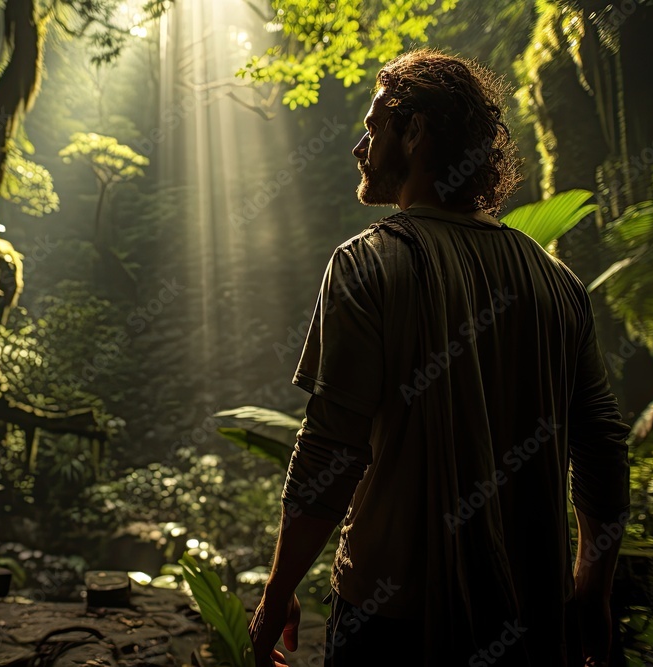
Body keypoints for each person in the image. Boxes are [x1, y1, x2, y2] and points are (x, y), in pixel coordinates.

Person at [246, 49, 631, 667]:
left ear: (416, 131)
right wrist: (593, 592)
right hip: (532, 622)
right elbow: (604, 447)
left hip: (394, 622)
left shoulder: (368, 263)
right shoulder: (558, 283)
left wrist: (278, 588)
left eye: (374, 127)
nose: (359, 147)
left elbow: (330, 449)